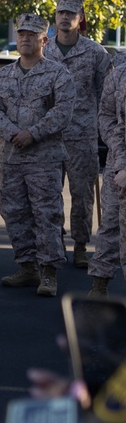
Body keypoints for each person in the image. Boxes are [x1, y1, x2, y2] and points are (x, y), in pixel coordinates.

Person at [0, 13, 74, 297]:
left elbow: (63, 112)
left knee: (47, 215)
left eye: (31, 34)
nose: (24, 38)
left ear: (44, 40)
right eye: (21, 33)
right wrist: (13, 133)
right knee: (14, 213)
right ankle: (26, 266)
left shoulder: (58, 74)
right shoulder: (3, 76)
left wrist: (32, 133)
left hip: (44, 158)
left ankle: (49, 272)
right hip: (10, 158)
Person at [43, 0, 111, 268]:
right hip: (48, 135)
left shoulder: (95, 52)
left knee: (82, 195)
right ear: (56, 16)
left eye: (71, 14)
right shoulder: (44, 50)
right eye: (61, 13)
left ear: (80, 19)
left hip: (82, 136)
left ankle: (81, 245)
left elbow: (106, 94)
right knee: (49, 192)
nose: (65, 18)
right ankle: (53, 242)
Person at [89, 50, 126, 296]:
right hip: (118, 167)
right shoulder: (119, 75)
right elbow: (107, 116)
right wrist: (122, 163)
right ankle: (99, 284)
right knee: (110, 225)